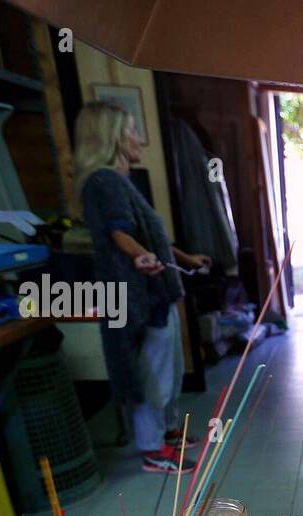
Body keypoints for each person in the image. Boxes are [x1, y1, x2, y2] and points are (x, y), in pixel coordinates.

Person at [73, 101, 211, 474]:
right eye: (131, 130)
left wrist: (183, 258)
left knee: (167, 365)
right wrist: (139, 257)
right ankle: (152, 450)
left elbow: (155, 238)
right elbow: (120, 232)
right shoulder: (104, 182)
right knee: (152, 372)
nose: (137, 138)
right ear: (113, 137)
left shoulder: (120, 181)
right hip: (138, 298)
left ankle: (165, 433)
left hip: (153, 294)